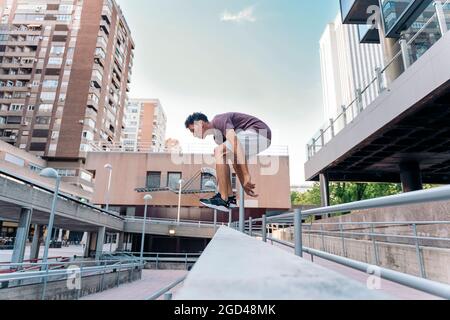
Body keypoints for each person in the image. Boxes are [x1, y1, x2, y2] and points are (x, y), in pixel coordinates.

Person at [185, 112, 272, 212]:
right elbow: (235, 160)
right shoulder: (218, 138)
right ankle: (230, 198)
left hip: (260, 131)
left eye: (193, 130)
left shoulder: (219, 120)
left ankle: (222, 198)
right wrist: (244, 183)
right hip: (259, 139)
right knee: (223, 154)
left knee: (218, 151)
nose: (193, 134)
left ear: (200, 123)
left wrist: (246, 174)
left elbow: (235, 143)